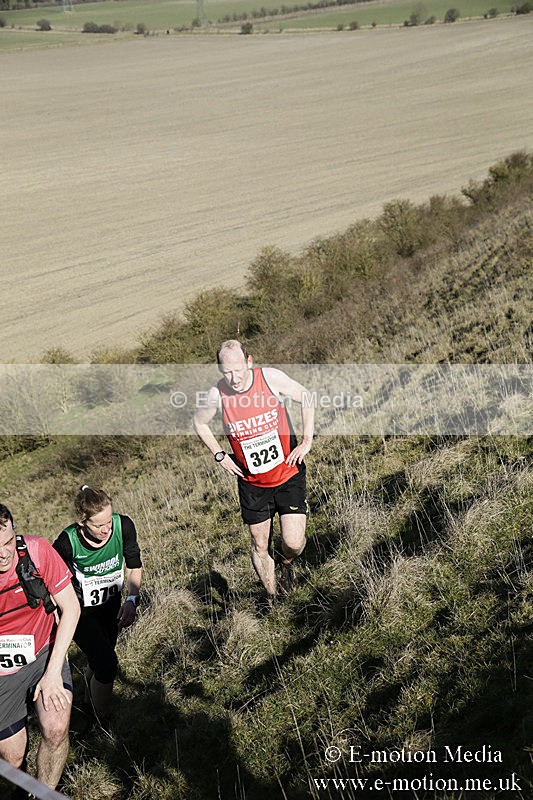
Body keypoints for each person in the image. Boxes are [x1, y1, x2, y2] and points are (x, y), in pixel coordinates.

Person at [193, 339, 314, 599]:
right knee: (260, 545)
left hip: (288, 473)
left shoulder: (269, 378)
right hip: (252, 484)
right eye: (227, 372)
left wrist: (306, 440)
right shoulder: (217, 395)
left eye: (238, 370)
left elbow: (305, 396)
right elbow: (199, 422)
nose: (234, 378)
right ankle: (274, 599)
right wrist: (219, 455)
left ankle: (286, 562)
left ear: (249, 361)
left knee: (293, 543)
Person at [0, 503, 80, 792]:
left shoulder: (36, 551)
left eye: (9, 542)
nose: (4, 554)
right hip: (2, 673)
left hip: (45, 652)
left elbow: (71, 608)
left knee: (56, 729)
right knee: (12, 758)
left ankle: (45, 794)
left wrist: (53, 672)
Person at [53, 486, 142, 724]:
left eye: (109, 522)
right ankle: (101, 721)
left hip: (111, 605)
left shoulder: (123, 526)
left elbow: (134, 565)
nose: (106, 529)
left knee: (100, 657)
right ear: (81, 522)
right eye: (99, 525)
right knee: (107, 664)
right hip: (79, 612)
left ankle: (87, 704)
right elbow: (53, 585)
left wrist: (132, 600)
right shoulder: (66, 543)